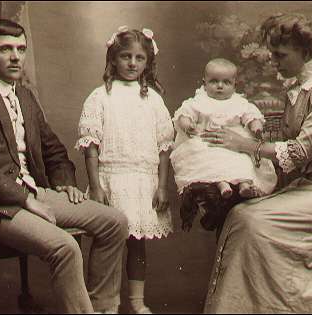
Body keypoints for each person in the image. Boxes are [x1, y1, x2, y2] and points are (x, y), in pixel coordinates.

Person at [0, 19, 128, 314]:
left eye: (21, 49)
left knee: (114, 222)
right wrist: (25, 199)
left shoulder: (24, 96)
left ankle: (102, 309)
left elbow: (53, 148)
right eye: (5, 49)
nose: (15, 57)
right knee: (64, 247)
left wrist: (65, 182)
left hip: (32, 193)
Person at [201, 13, 312, 313]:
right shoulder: (297, 88)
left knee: (251, 221)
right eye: (272, 53)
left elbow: (298, 153)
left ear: (305, 51)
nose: (273, 61)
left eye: (280, 54)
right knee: (241, 216)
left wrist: (246, 144)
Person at [76, 26, 174, 314]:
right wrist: (95, 186)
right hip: (111, 180)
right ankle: (106, 304)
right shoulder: (100, 96)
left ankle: (136, 303)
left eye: (140, 58)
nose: (132, 63)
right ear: (113, 59)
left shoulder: (153, 99)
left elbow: (164, 147)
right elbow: (91, 145)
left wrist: (162, 185)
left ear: (148, 62)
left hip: (143, 181)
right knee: (108, 244)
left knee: (137, 245)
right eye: (125, 56)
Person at [170, 58, 277, 233]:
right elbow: (183, 114)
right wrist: (187, 123)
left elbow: (251, 115)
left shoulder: (240, 103)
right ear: (204, 82)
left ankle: (244, 185)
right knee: (204, 156)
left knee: (243, 160)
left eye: (226, 82)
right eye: (214, 81)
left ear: (234, 84)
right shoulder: (197, 101)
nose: (220, 86)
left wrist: (255, 125)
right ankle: (221, 184)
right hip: (208, 143)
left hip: (233, 148)